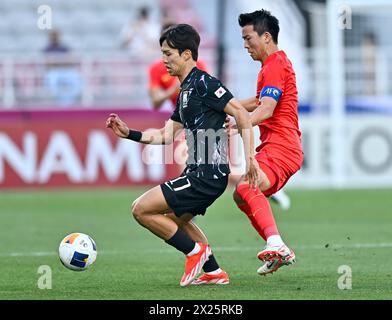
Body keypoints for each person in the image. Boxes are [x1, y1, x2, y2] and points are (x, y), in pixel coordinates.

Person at [106, 24, 259, 286]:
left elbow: (242, 114)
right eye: (163, 54)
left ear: (187, 54)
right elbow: (165, 135)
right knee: (174, 220)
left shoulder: (204, 83)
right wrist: (129, 133)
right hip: (198, 174)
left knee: (141, 210)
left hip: (207, 175)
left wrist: (250, 160)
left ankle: (194, 252)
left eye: (169, 54)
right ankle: (213, 272)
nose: (164, 60)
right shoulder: (185, 92)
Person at [229, 10, 304, 276]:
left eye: (249, 39)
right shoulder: (273, 65)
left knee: (246, 184)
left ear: (267, 36)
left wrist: (242, 121)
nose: (245, 45)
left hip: (282, 148)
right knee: (241, 194)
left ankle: (275, 243)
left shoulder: (274, 65)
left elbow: (267, 109)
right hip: (280, 148)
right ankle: (277, 246)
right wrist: (227, 106)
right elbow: (258, 101)